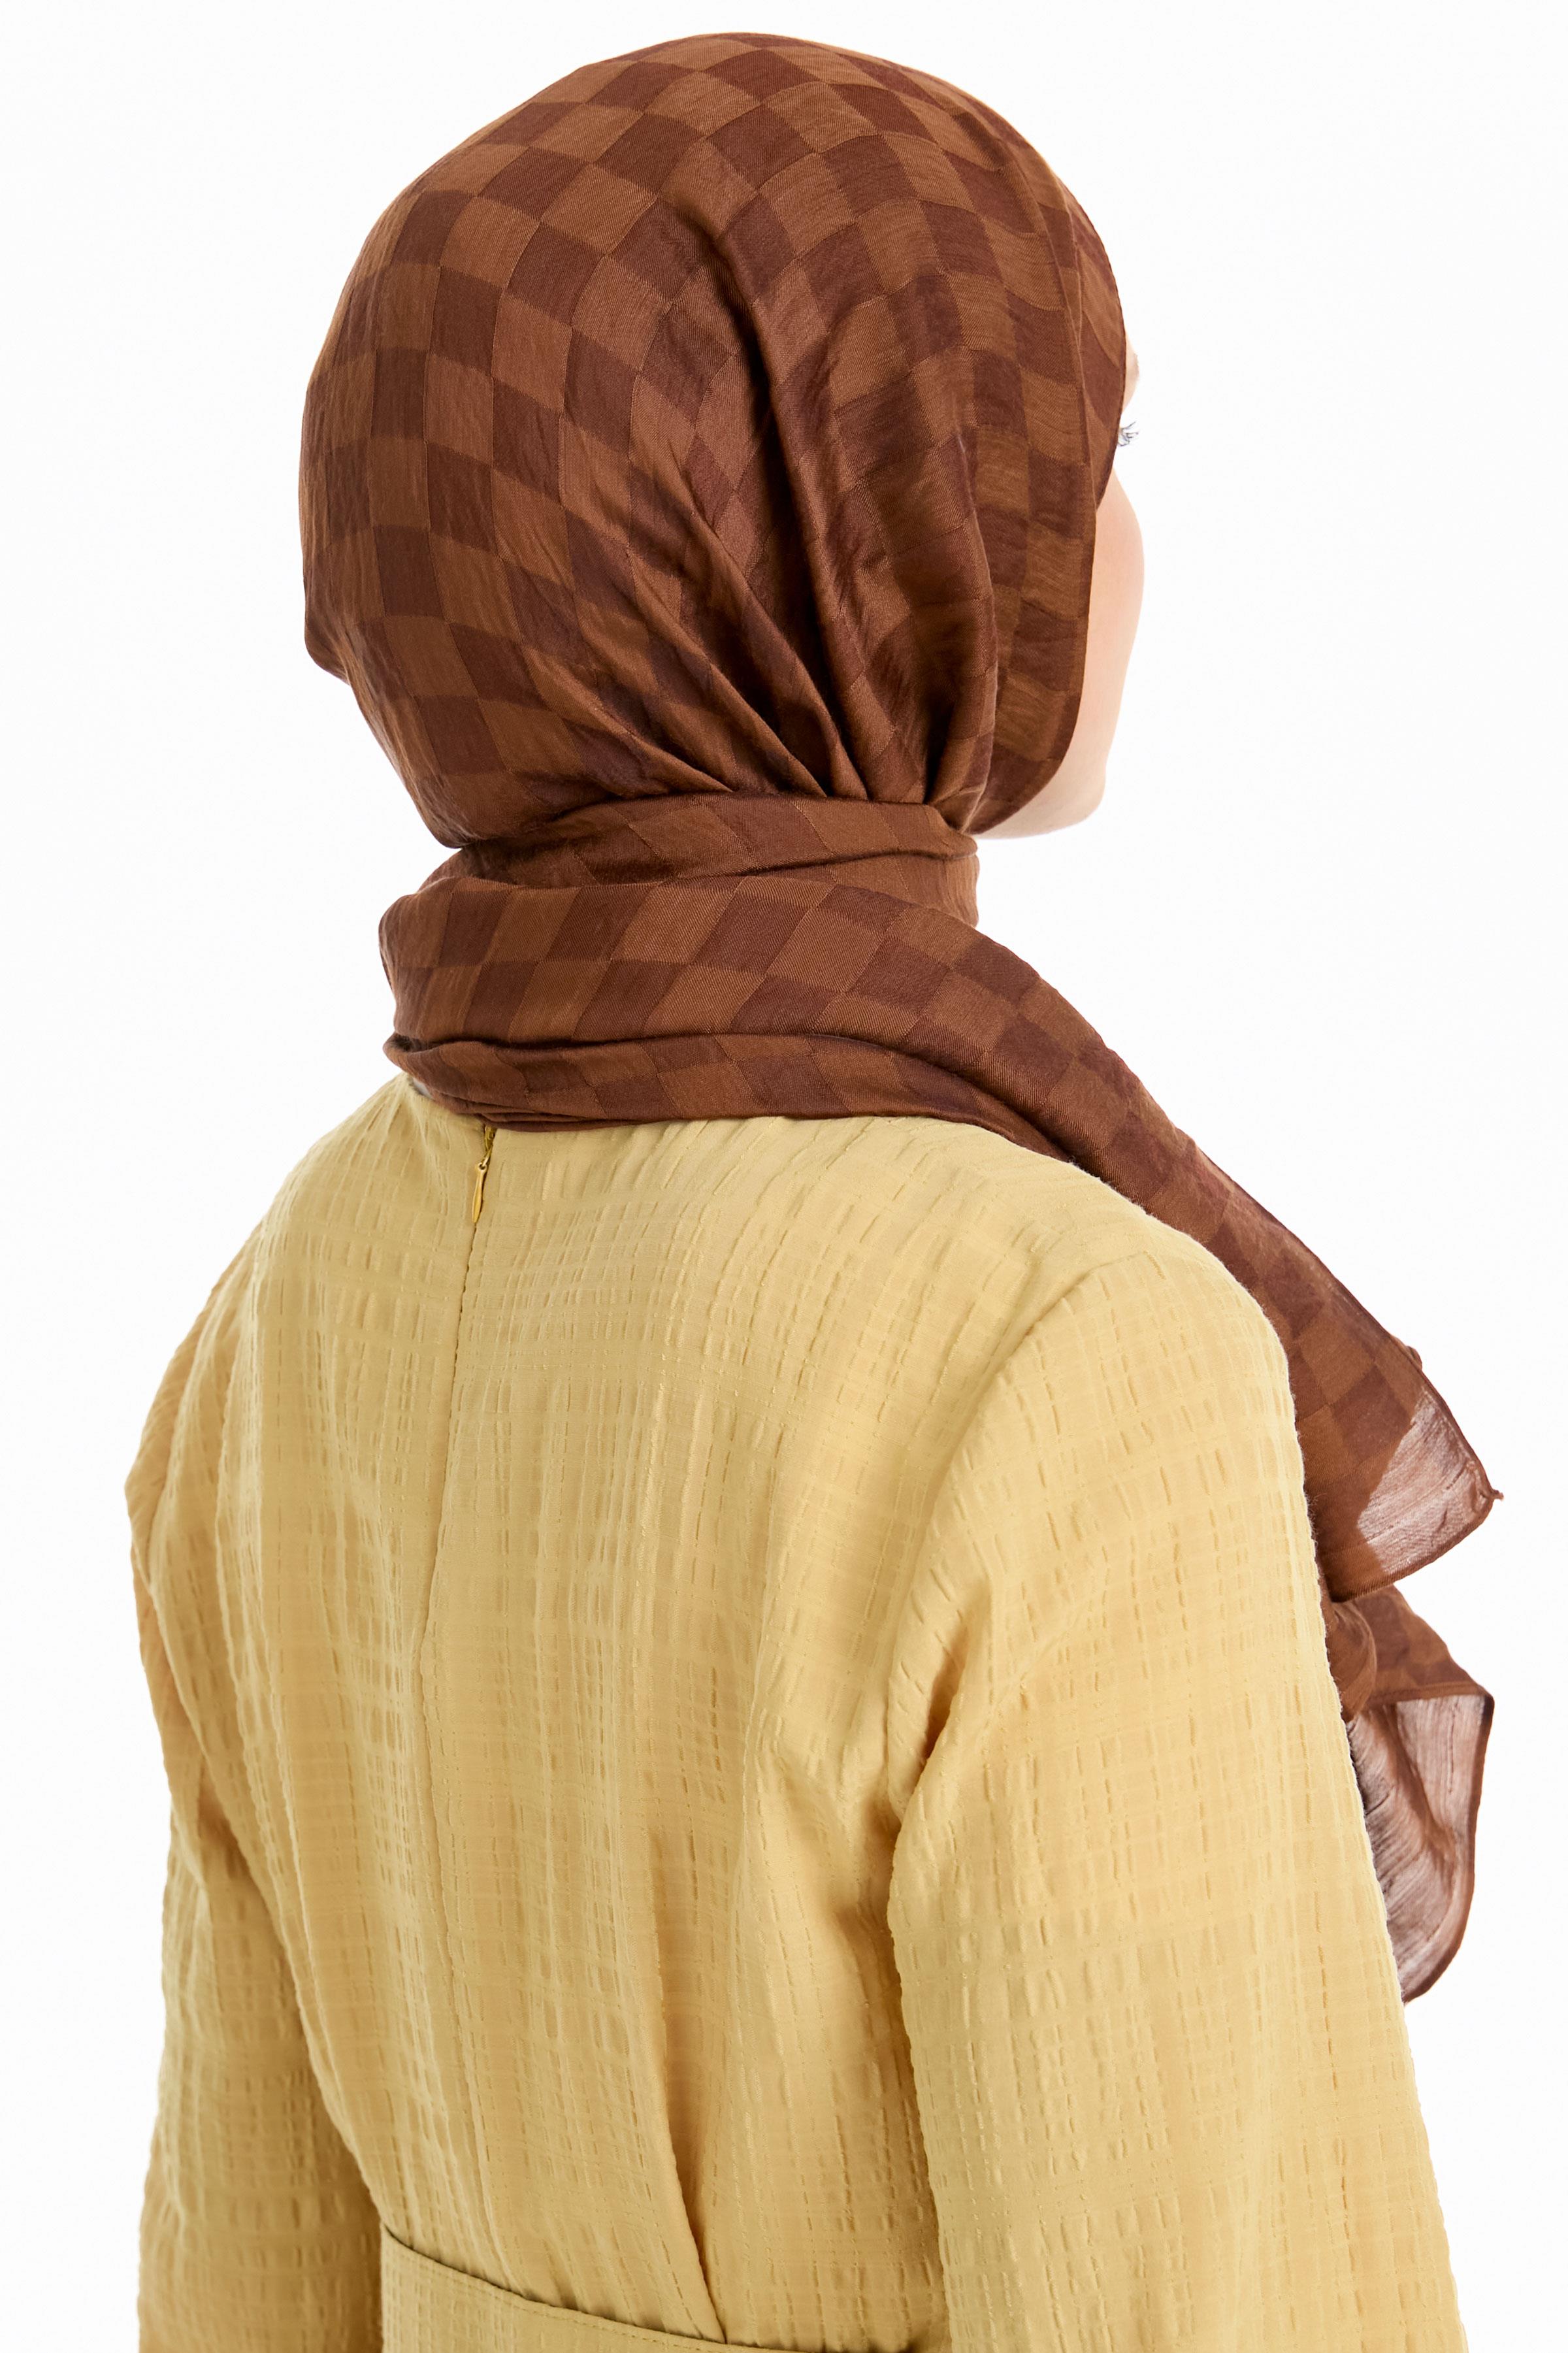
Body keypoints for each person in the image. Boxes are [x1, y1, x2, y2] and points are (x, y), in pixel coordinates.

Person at [125, 32, 1494, 2352]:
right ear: (845, 534)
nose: (1118, 538)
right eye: (1075, 448)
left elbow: (239, 2265)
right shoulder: (1064, 1354)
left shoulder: (283, 1304)